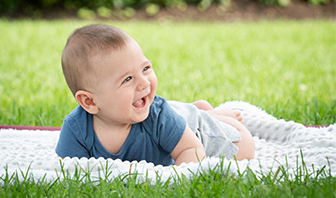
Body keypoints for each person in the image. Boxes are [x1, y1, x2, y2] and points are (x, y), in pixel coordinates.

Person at [56, 24, 255, 166]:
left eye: (145, 68)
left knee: (244, 148)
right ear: (89, 101)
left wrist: (175, 181)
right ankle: (194, 109)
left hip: (194, 131)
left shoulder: (158, 116)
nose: (144, 82)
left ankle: (207, 115)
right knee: (171, 114)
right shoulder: (77, 128)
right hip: (171, 119)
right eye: (127, 79)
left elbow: (191, 150)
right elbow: (69, 172)